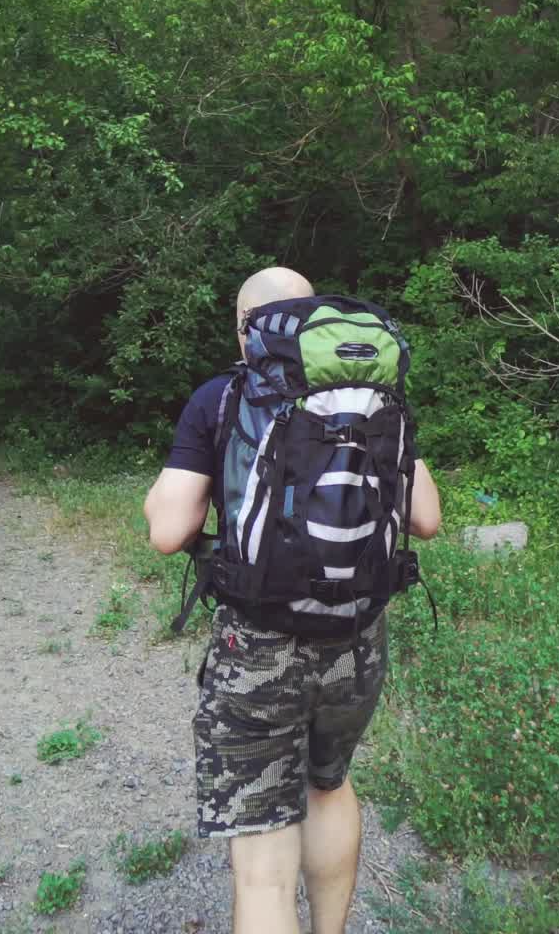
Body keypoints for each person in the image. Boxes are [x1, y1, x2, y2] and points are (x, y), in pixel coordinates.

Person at [143, 265, 441, 934]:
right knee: (328, 787)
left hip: (257, 647)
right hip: (357, 642)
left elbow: (168, 533)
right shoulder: (378, 402)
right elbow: (426, 519)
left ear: (244, 328)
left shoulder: (222, 396)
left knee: (263, 863)